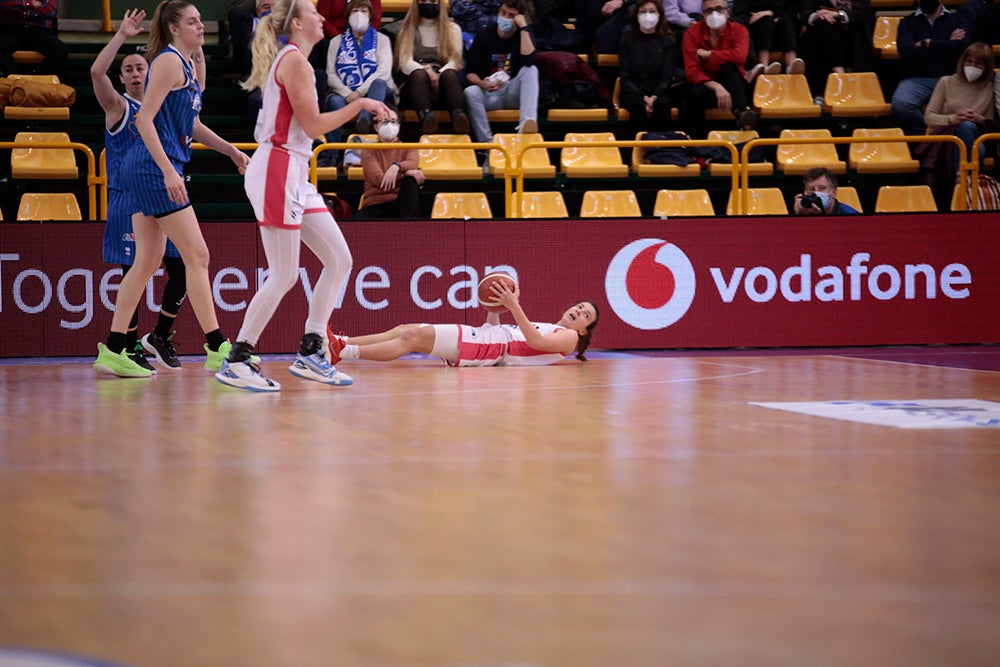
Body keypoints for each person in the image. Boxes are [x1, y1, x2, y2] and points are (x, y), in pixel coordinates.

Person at [215, 0, 390, 392]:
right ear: (296, 22)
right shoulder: (294, 61)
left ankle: (312, 350)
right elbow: (313, 123)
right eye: (312, 11)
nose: (320, 16)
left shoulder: (296, 60)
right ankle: (237, 358)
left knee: (339, 259)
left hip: (294, 169)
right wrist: (359, 103)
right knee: (283, 274)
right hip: (278, 166)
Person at [94, 1, 251, 379]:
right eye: (193, 21)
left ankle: (114, 349)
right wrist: (168, 171)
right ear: (174, 28)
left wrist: (230, 150)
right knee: (198, 255)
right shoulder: (166, 61)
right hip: (151, 168)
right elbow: (143, 119)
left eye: (200, 20)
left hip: (150, 168)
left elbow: (191, 124)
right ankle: (217, 347)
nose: (201, 26)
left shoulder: (185, 67)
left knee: (147, 261)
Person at [91, 9, 187, 373]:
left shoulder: (161, 106)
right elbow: (96, 73)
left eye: (140, 67)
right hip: (126, 196)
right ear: (122, 78)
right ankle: (126, 346)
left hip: (161, 193)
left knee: (181, 269)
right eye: (128, 69)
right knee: (134, 270)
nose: (135, 73)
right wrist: (121, 35)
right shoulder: (118, 107)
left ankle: (159, 336)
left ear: (152, 72)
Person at [326, 284, 600, 366]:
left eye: (585, 315)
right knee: (405, 329)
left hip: (493, 348)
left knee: (413, 338)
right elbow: (500, 329)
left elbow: (536, 343)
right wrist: (494, 309)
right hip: (489, 338)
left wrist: (514, 305)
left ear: (583, 331)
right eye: (579, 307)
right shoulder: (550, 326)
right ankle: (343, 342)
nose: (579, 311)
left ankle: (344, 353)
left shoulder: (569, 339)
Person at [318, 0, 395, 167]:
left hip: (377, 92)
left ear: (371, 16)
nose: (359, 15)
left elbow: (383, 71)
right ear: (348, 16)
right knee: (334, 101)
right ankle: (331, 155)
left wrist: (359, 93)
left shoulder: (382, 40)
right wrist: (348, 94)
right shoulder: (336, 42)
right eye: (355, 11)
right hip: (345, 94)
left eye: (364, 11)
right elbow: (331, 74)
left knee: (380, 83)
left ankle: (364, 120)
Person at [463, 0, 539, 142]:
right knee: (470, 92)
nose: (505, 17)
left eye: (511, 15)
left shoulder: (524, 34)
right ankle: (487, 146)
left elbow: (530, 61)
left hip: (513, 91)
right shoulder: (484, 35)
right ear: (498, 12)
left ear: (518, 18)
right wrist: (481, 83)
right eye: (503, 13)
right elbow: (470, 72)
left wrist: (523, 28)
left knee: (531, 70)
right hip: (490, 93)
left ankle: (527, 126)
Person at [891, 0, 970, 136]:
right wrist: (947, 43)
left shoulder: (958, 20)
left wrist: (927, 43)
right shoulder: (907, 22)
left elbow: (962, 48)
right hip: (918, 79)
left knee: (967, 112)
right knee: (901, 105)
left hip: (952, 79)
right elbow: (907, 54)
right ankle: (935, 137)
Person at [680, 0, 758, 138]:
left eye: (718, 9)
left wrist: (710, 55)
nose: (714, 14)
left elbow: (740, 57)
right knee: (694, 92)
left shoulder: (739, 30)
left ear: (728, 12)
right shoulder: (691, 33)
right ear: (703, 15)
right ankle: (696, 143)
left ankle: (742, 115)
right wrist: (716, 86)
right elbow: (692, 71)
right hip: (705, 87)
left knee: (728, 67)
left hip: (734, 87)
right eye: (709, 11)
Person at [394, 0, 470, 134]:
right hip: (415, 88)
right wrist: (429, 73)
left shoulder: (452, 29)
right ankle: (427, 118)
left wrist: (438, 75)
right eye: (423, 1)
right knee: (419, 75)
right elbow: (405, 63)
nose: (428, 3)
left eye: (433, 1)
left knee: (450, 74)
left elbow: (456, 61)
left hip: (443, 85)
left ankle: (458, 117)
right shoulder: (407, 29)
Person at [922, 42, 997, 175]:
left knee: (968, 127)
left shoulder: (989, 88)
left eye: (978, 63)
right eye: (969, 61)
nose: (972, 66)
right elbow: (929, 117)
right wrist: (954, 119)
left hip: (974, 135)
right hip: (947, 136)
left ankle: (961, 178)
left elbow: (989, 122)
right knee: (978, 149)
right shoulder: (946, 82)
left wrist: (976, 118)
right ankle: (965, 180)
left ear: (986, 67)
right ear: (962, 61)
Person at [354, 106, 425, 219]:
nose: (389, 125)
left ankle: (407, 227)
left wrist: (396, 166)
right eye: (385, 122)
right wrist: (404, 173)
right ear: (376, 127)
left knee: (411, 180)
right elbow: (380, 180)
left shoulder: (410, 148)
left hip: (401, 203)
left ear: (399, 126)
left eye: (393, 122)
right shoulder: (368, 150)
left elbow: (412, 163)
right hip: (375, 204)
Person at [796, 0, 873, 104]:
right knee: (823, 26)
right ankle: (839, 74)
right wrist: (818, 15)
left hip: (851, 36)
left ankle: (822, 92)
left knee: (825, 35)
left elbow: (863, 13)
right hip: (821, 36)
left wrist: (838, 14)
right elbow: (805, 14)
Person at [617, 0, 676, 134]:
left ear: (659, 15)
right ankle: (636, 150)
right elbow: (625, 77)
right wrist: (644, 97)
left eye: (652, 11)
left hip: (659, 89)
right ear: (637, 15)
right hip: (634, 89)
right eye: (643, 11)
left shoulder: (668, 40)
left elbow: (667, 77)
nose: (647, 15)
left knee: (662, 105)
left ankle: (662, 150)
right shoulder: (627, 39)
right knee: (638, 106)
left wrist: (654, 97)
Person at [733, 0, 804, 78]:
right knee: (766, 20)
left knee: (786, 21)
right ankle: (764, 67)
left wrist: (771, 13)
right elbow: (739, 15)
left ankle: (791, 67)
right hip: (756, 32)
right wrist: (759, 17)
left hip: (780, 32)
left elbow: (792, 12)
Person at [0, 0, 68, 77]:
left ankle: (38, 84)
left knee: (60, 50)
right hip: (10, 30)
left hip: (39, 32)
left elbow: (50, 10)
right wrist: (29, 3)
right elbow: (3, 5)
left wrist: (19, 11)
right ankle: (19, 81)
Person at [792, 167, 859, 215]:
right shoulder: (806, 212)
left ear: (834, 193)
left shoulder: (850, 215)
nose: (816, 193)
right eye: (812, 189)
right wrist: (799, 216)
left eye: (822, 188)